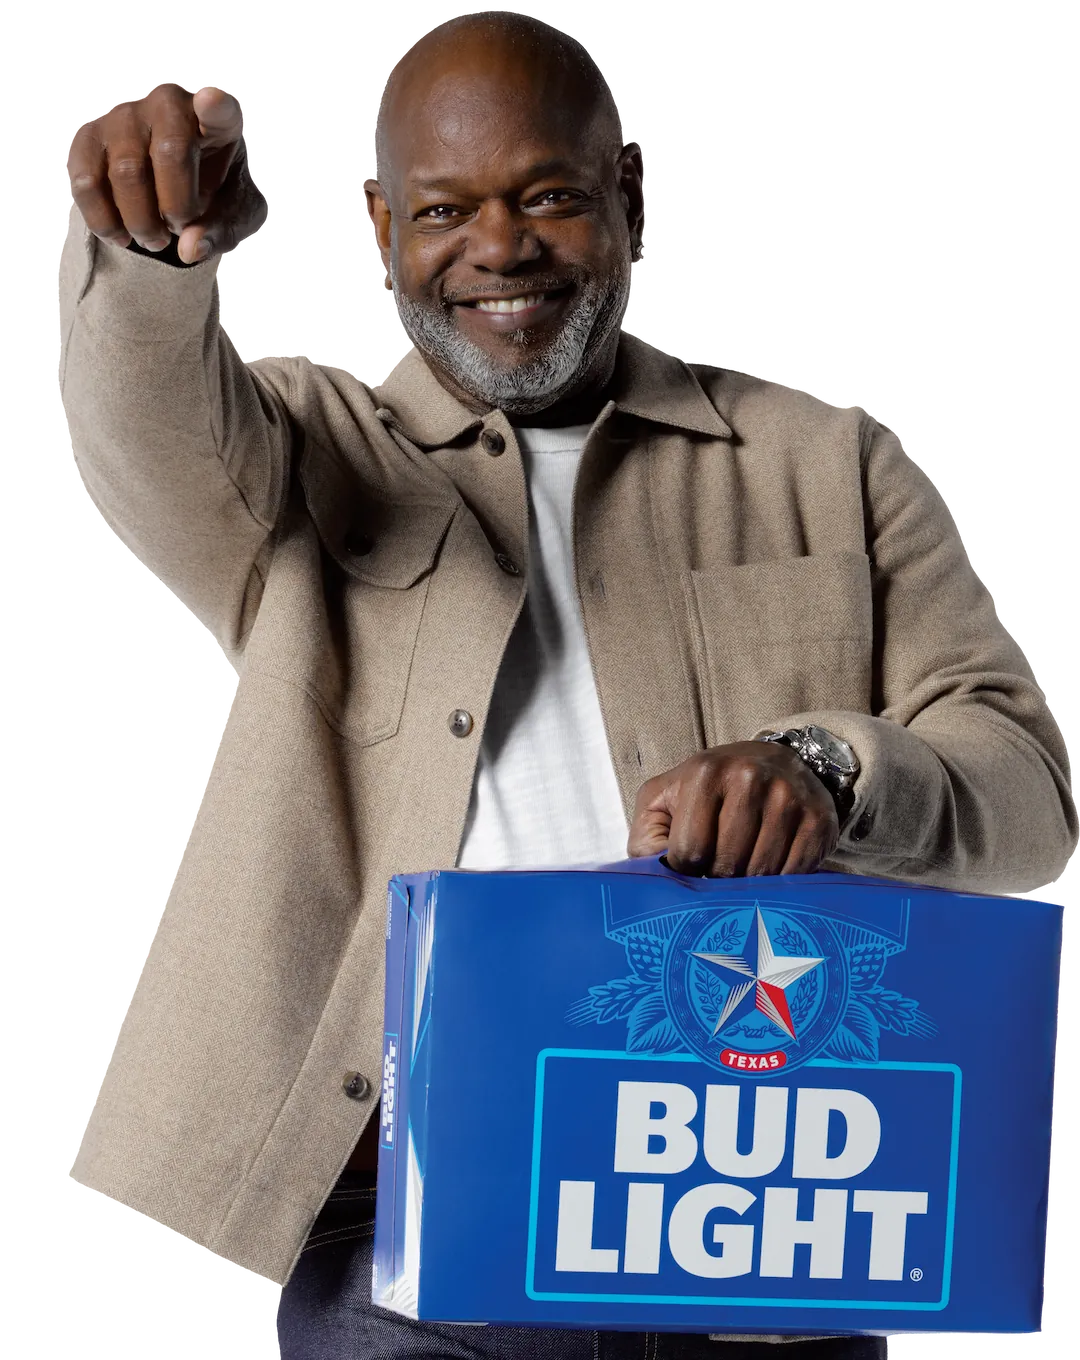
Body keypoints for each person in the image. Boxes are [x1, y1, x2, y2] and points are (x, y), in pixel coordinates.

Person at [57, 10, 1075, 1359]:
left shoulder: (831, 460)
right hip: (414, 1217)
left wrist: (828, 767)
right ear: (378, 228)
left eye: (548, 196)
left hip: (766, 1196)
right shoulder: (297, 454)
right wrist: (148, 253)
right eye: (443, 210)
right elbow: (139, 425)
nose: (500, 248)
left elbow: (1031, 794)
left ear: (633, 198)